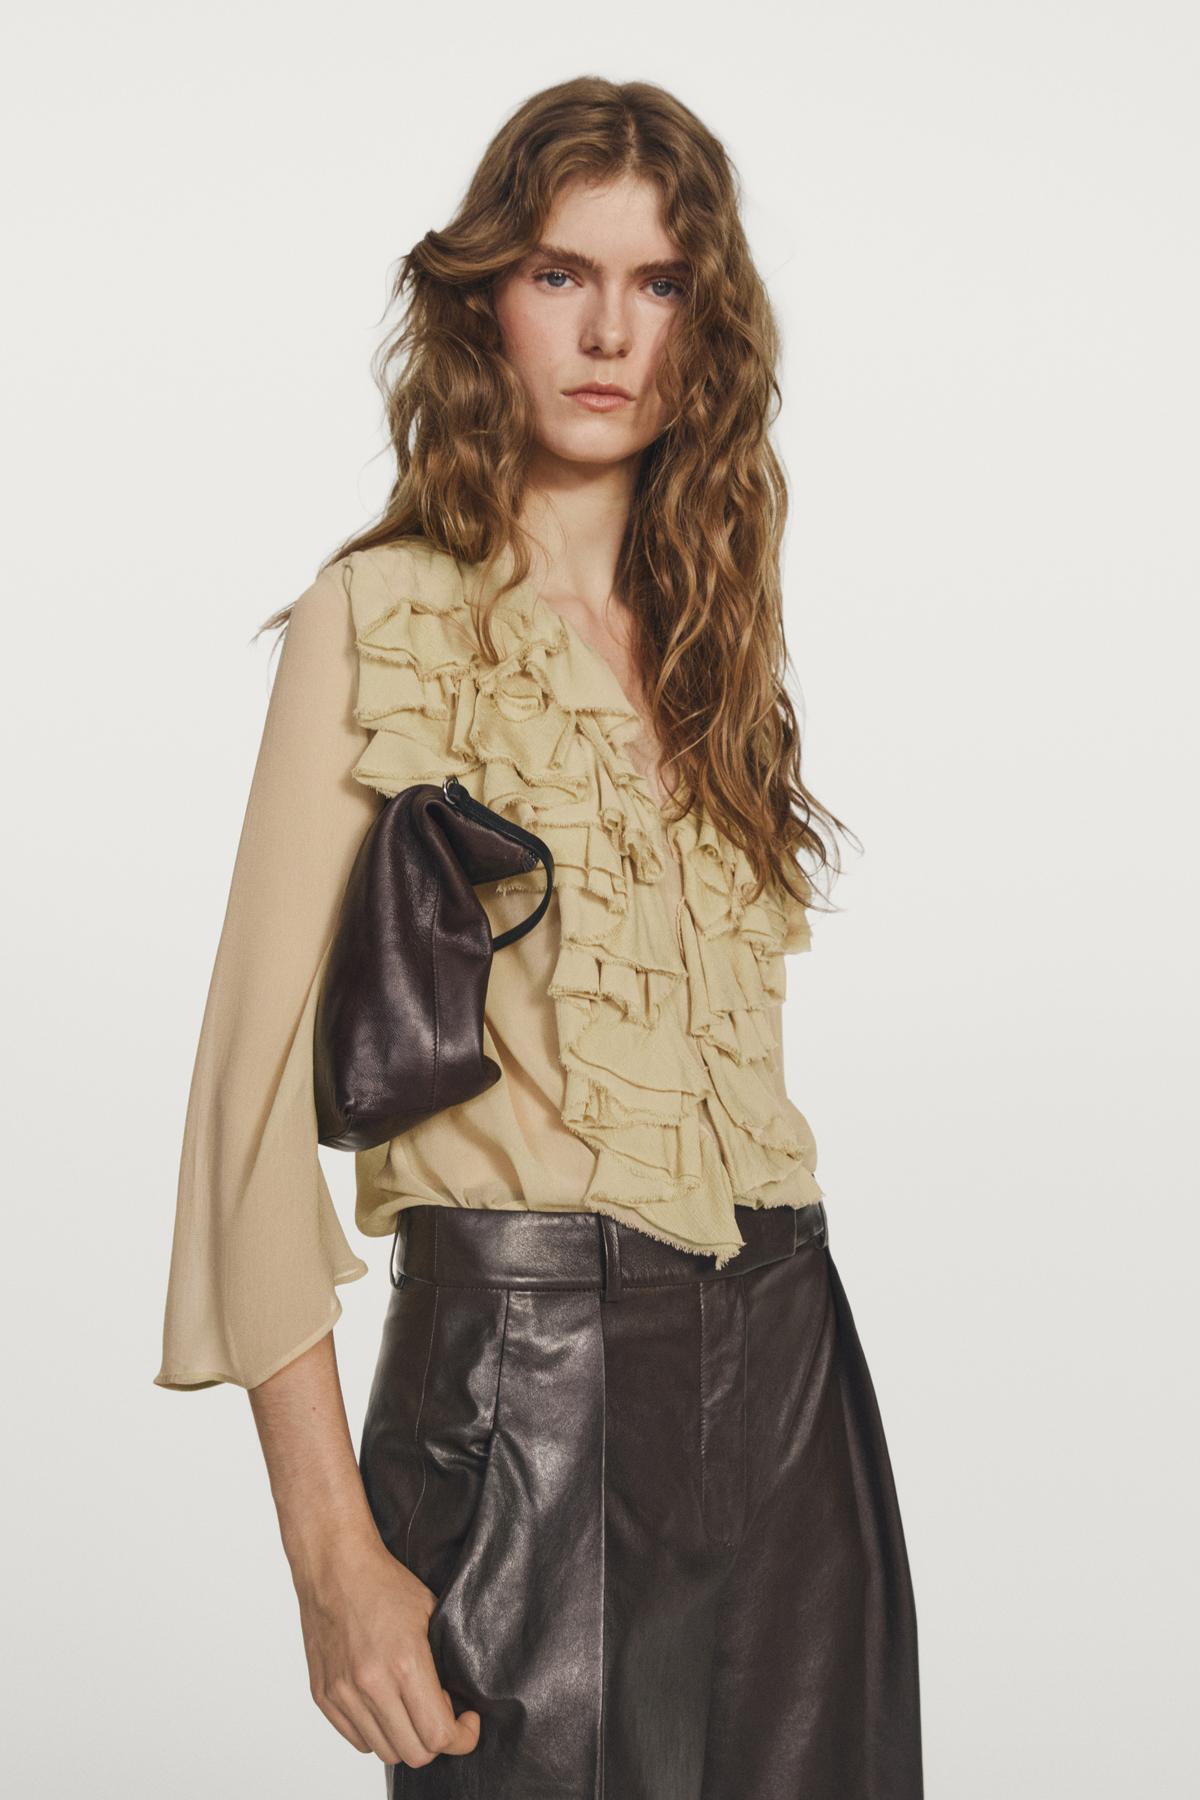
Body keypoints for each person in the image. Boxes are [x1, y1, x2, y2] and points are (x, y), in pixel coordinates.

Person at [153, 75, 924, 1799]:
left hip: (792, 1385)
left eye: (660, 284)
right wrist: (329, 1556)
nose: (609, 333)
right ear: (486, 298)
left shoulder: (716, 631)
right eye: (562, 274)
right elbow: (242, 1110)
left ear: (706, 324)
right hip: (524, 1406)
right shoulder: (383, 619)